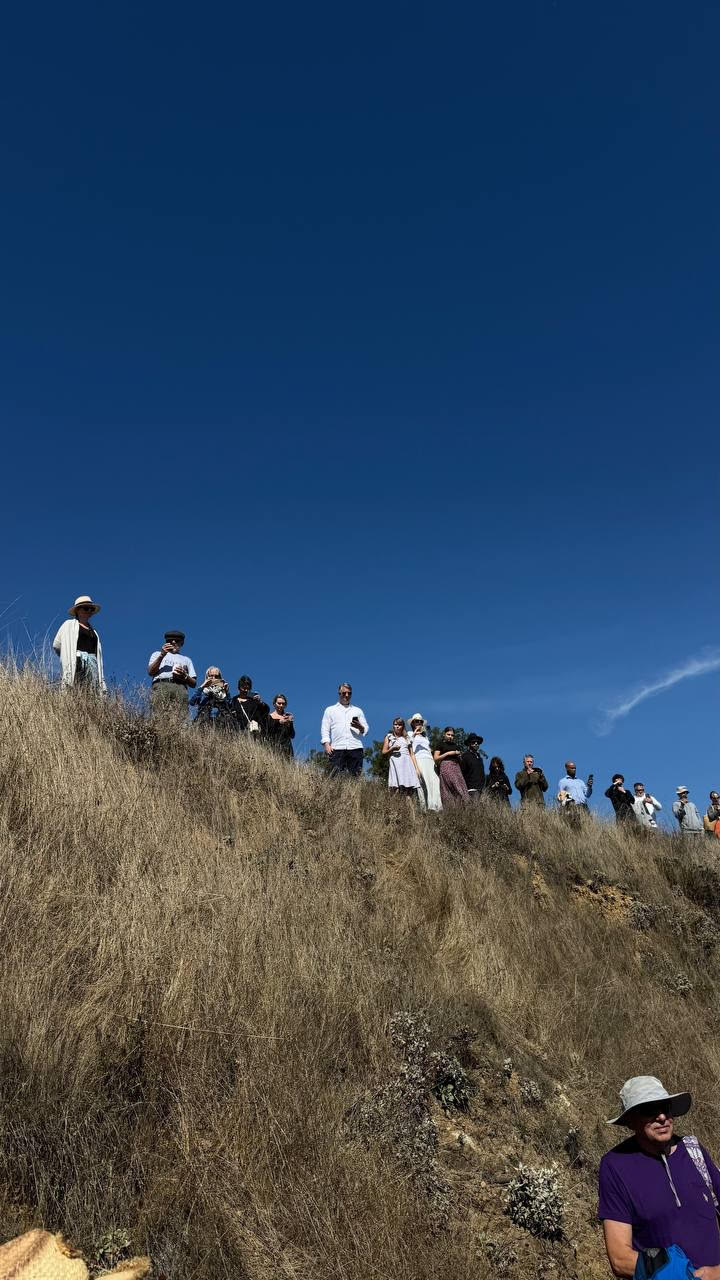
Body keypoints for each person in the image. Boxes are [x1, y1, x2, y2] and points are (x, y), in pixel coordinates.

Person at [598, 1074, 720, 1279]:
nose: (662, 1117)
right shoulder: (616, 1166)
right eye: (649, 1110)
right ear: (631, 1121)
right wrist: (681, 1275)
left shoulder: (693, 1151)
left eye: (665, 1107)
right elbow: (620, 1259)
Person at [52, 595, 107, 691]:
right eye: (86, 608)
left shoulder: (94, 632)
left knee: (91, 692)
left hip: (92, 666)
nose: (89, 611)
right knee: (76, 688)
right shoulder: (68, 625)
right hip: (77, 662)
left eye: (91, 609)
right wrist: (68, 655)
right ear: (78, 610)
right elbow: (56, 644)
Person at [320, 683, 369, 778]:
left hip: (355, 748)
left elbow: (366, 729)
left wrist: (360, 727)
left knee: (355, 778)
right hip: (337, 748)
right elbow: (325, 728)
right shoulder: (330, 710)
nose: (346, 695)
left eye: (349, 693)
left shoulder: (357, 710)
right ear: (339, 693)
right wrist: (326, 744)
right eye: (344, 693)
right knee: (334, 778)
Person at [147, 630, 197, 718]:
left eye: (176, 641)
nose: (173, 642)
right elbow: (150, 672)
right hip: (161, 685)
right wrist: (162, 655)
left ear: (182, 643)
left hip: (180, 688)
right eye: (170, 641)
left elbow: (193, 683)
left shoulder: (186, 660)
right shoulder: (157, 654)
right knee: (159, 715)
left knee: (181, 717)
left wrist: (185, 675)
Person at [408, 714, 442, 811]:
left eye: (421, 721)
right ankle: (424, 808)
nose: (419, 723)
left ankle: (436, 807)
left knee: (435, 782)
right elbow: (408, 744)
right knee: (423, 783)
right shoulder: (410, 734)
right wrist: (414, 733)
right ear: (412, 723)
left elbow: (428, 749)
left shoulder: (425, 736)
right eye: (417, 721)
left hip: (429, 760)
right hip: (419, 760)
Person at [382, 718, 421, 797]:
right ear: (393, 726)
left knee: (408, 789)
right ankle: (394, 803)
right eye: (395, 724)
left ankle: (410, 805)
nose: (397, 726)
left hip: (406, 763)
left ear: (403, 726)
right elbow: (384, 752)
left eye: (399, 725)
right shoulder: (389, 736)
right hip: (395, 763)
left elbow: (412, 754)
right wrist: (392, 749)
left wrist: (416, 769)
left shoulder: (407, 738)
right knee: (395, 788)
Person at [433, 728, 469, 808]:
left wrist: (459, 756)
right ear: (444, 734)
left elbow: (460, 761)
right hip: (446, 766)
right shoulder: (440, 744)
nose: (450, 736)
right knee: (450, 787)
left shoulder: (456, 746)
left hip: (456, 767)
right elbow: (436, 758)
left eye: (452, 735)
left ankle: (462, 808)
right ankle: (450, 808)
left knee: (461, 787)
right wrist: (448, 753)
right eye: (448, 734)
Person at [460, 734, 486, 800]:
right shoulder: (465, 756)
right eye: (473, 742)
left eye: (478, 742)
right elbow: (462, 773)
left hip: (481, 790)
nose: (476, 743)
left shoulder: (479, 758)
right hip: (471, 789)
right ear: (469, 744)